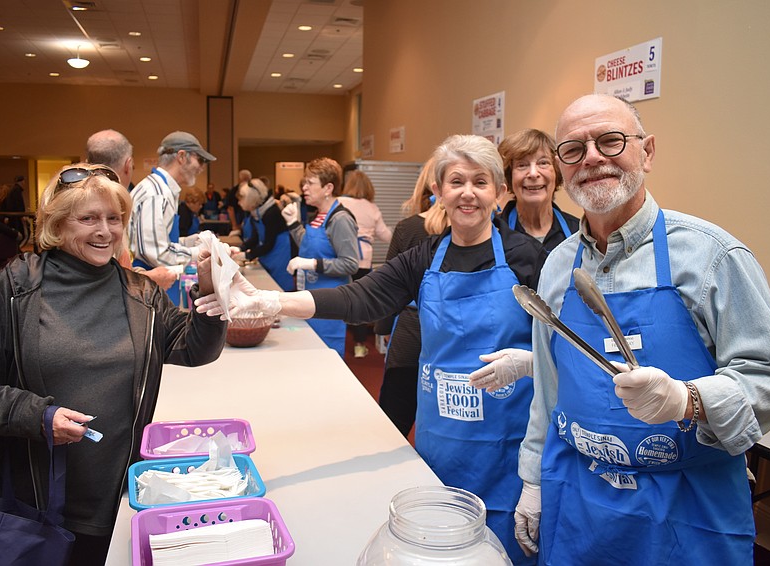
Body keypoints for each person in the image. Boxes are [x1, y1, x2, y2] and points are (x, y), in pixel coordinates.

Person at [200, 135, 547, 564]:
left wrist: (532, 365)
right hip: (441, 441)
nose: (468, 193)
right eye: (456, 181)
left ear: (499, 192)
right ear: (438, 191)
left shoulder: (528, 259)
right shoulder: (423, 258)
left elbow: (563, 348)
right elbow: (359, 298)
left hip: (507, 449)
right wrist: (272, 301)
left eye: (480, 182)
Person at [511, 94, 770, 564]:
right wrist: (532, 480)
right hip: (578, 499)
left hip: (688, 511)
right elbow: (548, 391)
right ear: (563, 168)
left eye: (610, 141)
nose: (592, 158)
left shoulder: (712, 257)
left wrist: (689, 399)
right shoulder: (558, 265)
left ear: (646, 152)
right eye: (573, 149)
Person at [0, 163, 228, 566]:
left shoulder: (141, 293)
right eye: (89, 219)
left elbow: (194, 349)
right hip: (34, 498)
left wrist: (209, 288)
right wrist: (37, 416)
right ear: (58, 224)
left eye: (114, 218)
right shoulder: (16, 288)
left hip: (115, 494)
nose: (105, 231)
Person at [375, 158, 447, 437]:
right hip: (457, 336)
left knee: (394, 419)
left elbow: (388, 288)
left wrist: (383, 329)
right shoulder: (483, 232)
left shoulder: (408, 228)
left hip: (411, 331)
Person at [277, 157, 360, 358]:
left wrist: (312, 264)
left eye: (310, 183)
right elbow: (309, 245)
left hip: (329, 303)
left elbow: (350, 264)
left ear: (328, 188)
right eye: (304, 182)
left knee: (326, 355)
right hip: (311, 298)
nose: (304, 188)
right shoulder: (318, 216)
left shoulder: (340, 219)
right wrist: (293, 224)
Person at [85, 129, 179, 293]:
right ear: (128, 165)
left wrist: (140, 274)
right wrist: (147, 279)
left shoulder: (83, 205)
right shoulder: (109, 209)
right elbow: (99, 280)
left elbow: (118, 266)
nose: (105, 230)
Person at [127, 130, 216, 304]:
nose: (202, 168)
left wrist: (190, 241)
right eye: (200, 160)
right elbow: (156, 252)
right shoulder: (156, 194)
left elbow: (158, 240)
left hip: (162, 290)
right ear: (181, 157)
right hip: (151, 291)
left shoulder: (163, 190)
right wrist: (200, 252)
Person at [338, 170, 393, 357]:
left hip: (342, 257)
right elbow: (386, 235)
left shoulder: (339, 203)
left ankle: (336, 338)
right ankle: (359, 346)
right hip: (363, 259)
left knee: (339, 296)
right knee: (361, 300)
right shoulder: (372, 208)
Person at [498, 129, 579, 253]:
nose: (533, 173)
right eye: (522, 165)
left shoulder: (579, 232)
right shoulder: (492, 232)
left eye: (543, 163)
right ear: (509, 176)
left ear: (557, 171)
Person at [237, 177, 293, 291]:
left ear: (251, 199)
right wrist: (241, 248)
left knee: (279, 289)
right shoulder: (257, 212)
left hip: (280, 255)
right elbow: (256, 237)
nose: (239, 203)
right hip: (269, 253)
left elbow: (269, 243)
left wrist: (247, 255)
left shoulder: (271, 213)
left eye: (242, 199)